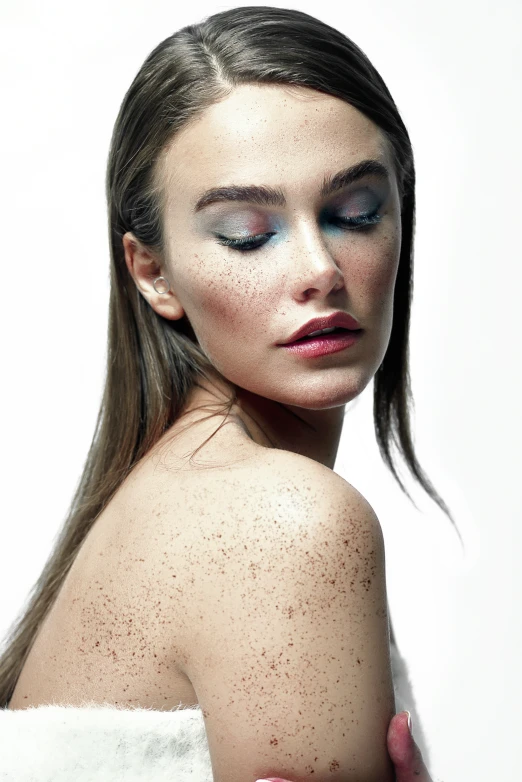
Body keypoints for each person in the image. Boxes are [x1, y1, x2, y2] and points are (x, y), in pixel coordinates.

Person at [0, 6, 459, 780]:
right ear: (152, 272)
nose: (320, 267)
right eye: (248, 232)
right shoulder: (284, 524)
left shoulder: (168, 496)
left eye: (356, 213)